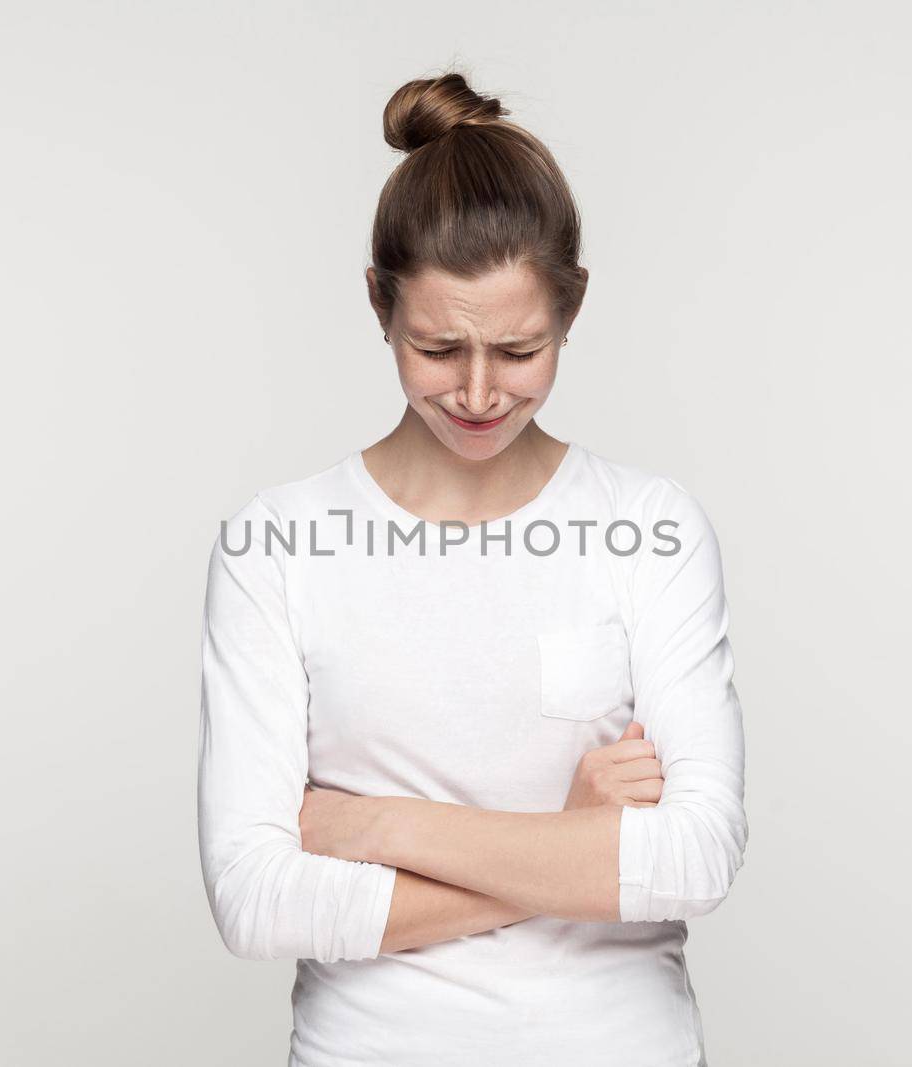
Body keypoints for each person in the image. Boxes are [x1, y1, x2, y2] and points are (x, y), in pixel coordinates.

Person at [196, 70, 748, 1067]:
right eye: (439, 347)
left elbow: (696, 856)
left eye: (520, 348)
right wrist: (570, 844)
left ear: (571, 311)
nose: (481, 392)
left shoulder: (649, 529)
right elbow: (256, 898)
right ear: (378, 300)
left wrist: (376, 825)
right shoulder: (276, 543)